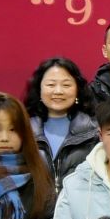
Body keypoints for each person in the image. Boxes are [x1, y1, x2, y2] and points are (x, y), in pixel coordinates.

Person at [26, 56, 98, 188]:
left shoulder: (94, 132)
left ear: (77, 89)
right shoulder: (23, 131)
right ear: (39, 89)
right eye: (51, 85)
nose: (58, 91)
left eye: (66, 85)